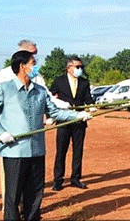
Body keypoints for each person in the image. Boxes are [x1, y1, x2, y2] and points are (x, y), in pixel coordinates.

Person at [0, 50, 92, 221]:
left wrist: (77, 115)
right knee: (13, 196)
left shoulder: (40, 91)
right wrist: (0, 133)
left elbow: (54, 112)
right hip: (14, 151)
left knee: (35, 194)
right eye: (33, 63)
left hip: (37, 150)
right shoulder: (4, 89)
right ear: (22, 66)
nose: (36, 66)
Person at [50, 56, 93, 191]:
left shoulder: (84, 82)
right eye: (78, 67)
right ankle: (58, 180)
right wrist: (50, 116)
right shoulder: (59, 81)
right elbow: (50, 99)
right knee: (61, 151)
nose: (80, 69)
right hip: (63, 121)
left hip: (79, 121)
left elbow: (88, 99)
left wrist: (91, 107)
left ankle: (75, 178)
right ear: (69, 68)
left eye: (81, 67)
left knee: (78, 151)